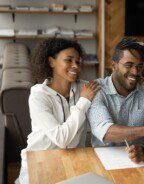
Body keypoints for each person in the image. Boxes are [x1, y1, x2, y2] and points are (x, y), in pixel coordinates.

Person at [18, 38, 99, 184]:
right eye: (69, 60)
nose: (75, 66)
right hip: (39, 161)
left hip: (72, 161)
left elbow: (109, 85)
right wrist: (84, 101)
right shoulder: (39, 95)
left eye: (78, 61)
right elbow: (62, 139)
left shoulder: (84, 88)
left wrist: (139, 83)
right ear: (51, 62)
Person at [88, 37, 144, 163]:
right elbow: (106, 132)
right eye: (129, 65)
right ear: (114, 65)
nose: (135, 72)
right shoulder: (96, 90)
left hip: (141, 160)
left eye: (139, 66)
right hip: (103, 159)